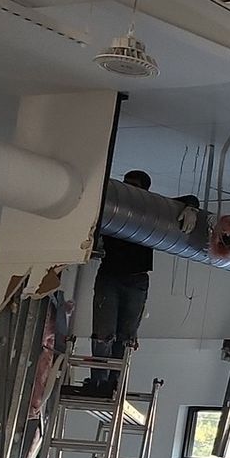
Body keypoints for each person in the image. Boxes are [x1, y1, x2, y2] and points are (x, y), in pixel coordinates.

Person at [80, 170, 154, 396]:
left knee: (126, 336)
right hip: (111, 275)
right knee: (104, 333)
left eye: (134, 186)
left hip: (135, 278)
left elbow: (188, 201)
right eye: (126, 184)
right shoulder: (114, 205)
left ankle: (113, 383)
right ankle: (100, 382)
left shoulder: (151, 209)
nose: (128, 189)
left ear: (145, 189)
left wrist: (190, 207)